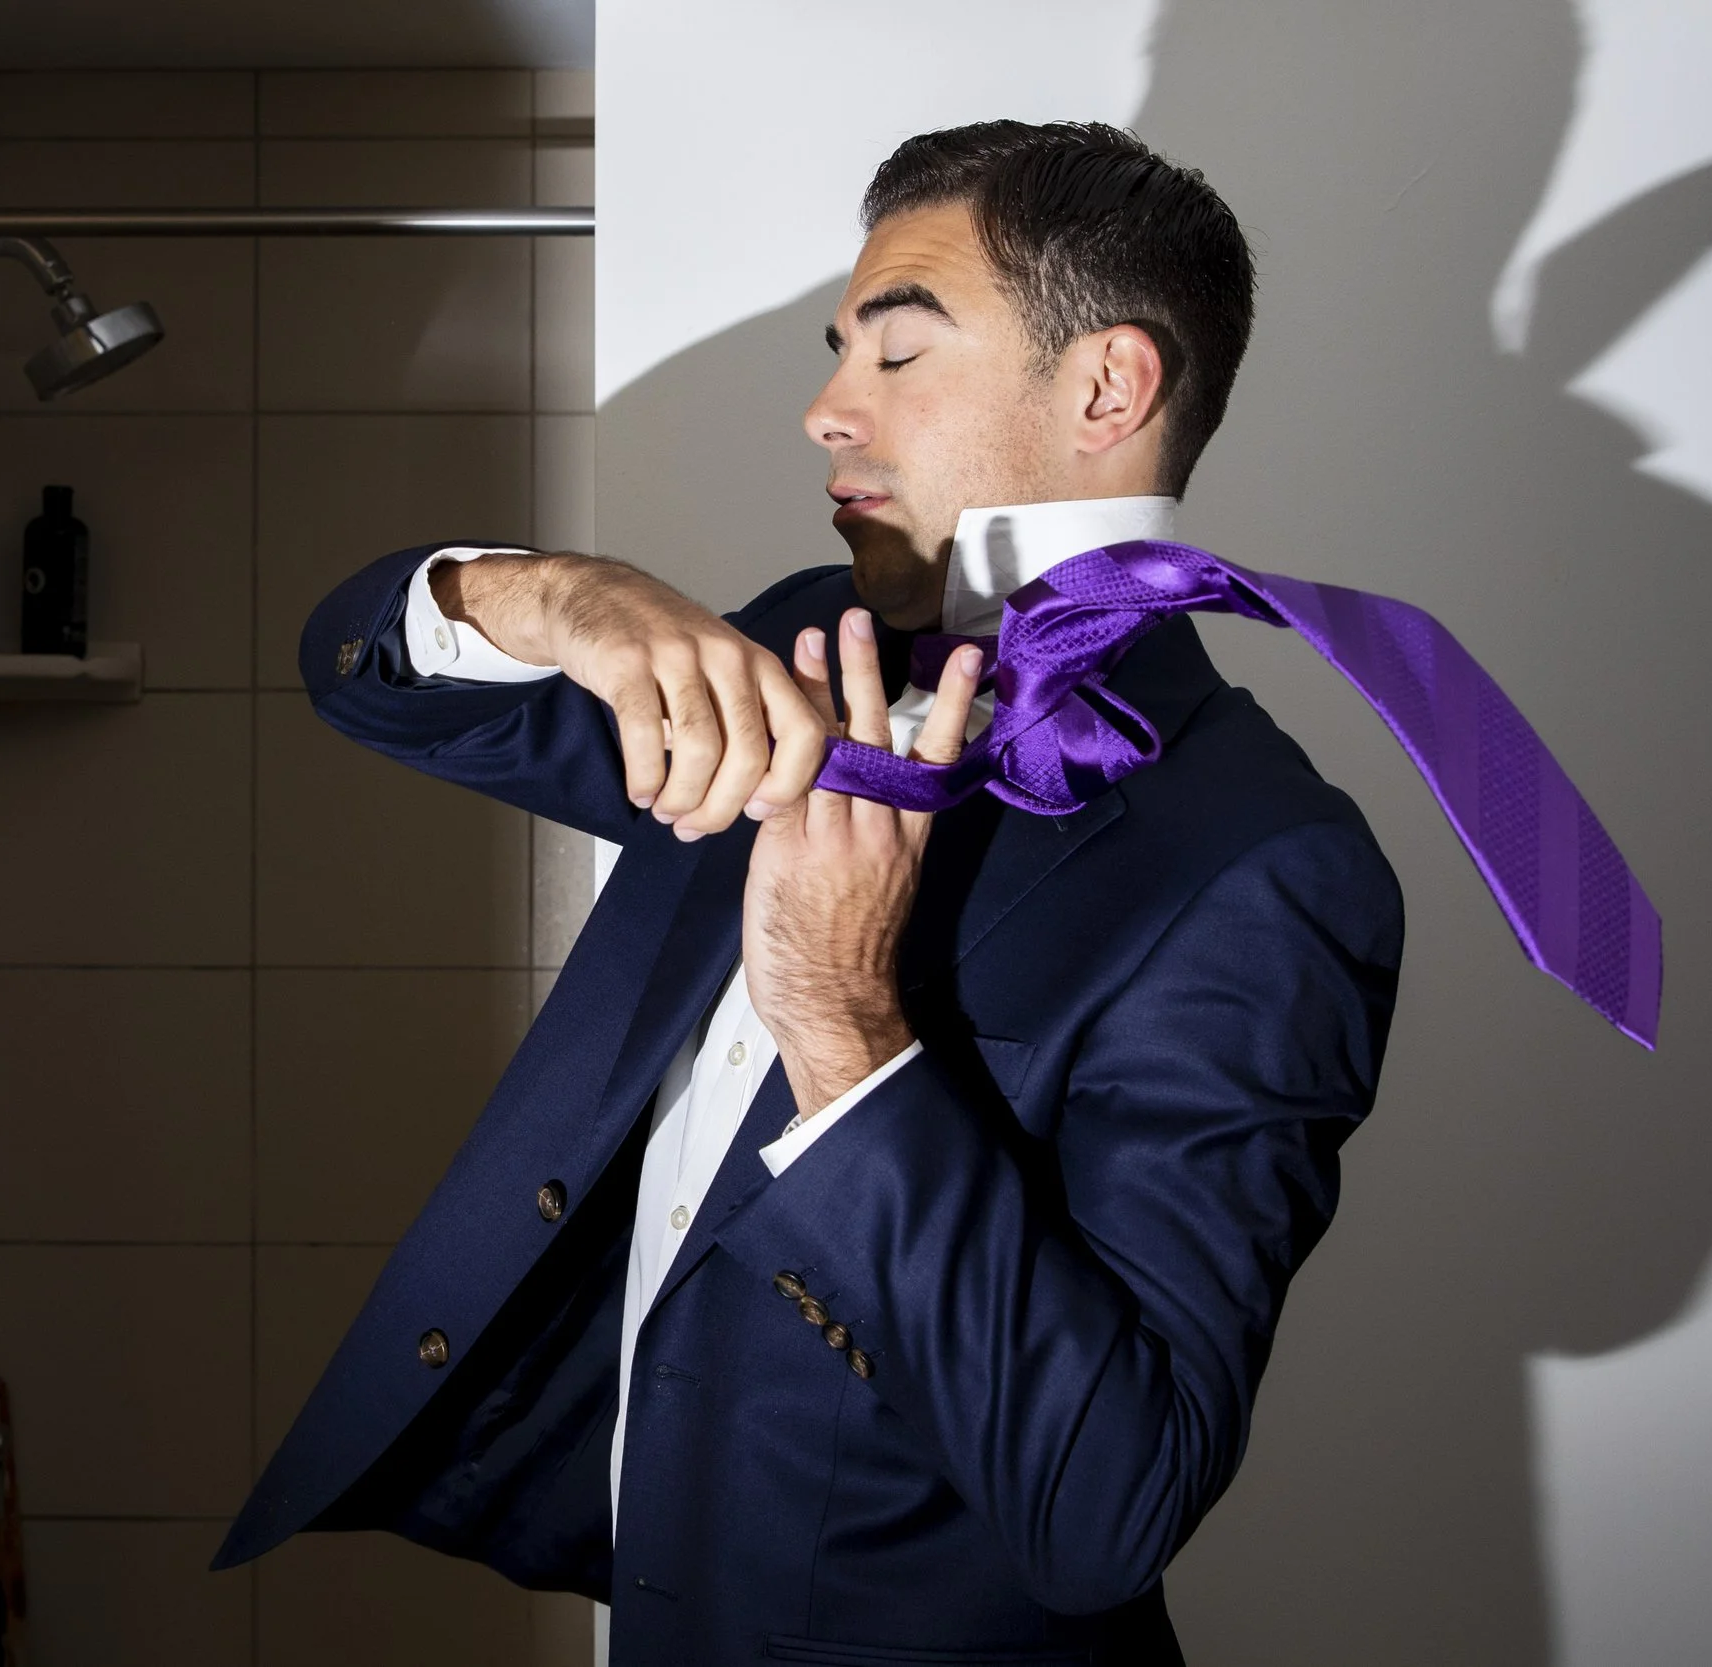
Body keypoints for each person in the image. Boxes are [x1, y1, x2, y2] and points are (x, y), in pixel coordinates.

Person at [214, 121, 1404, 1666]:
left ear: (1108, 387)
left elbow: (1109, 1499)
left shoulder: (1264, 864)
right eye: (840, 352)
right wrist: (562, 594)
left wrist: (848, 1031)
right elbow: (366, 677)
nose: (825, 409)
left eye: (897, 356)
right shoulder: (792, 643)